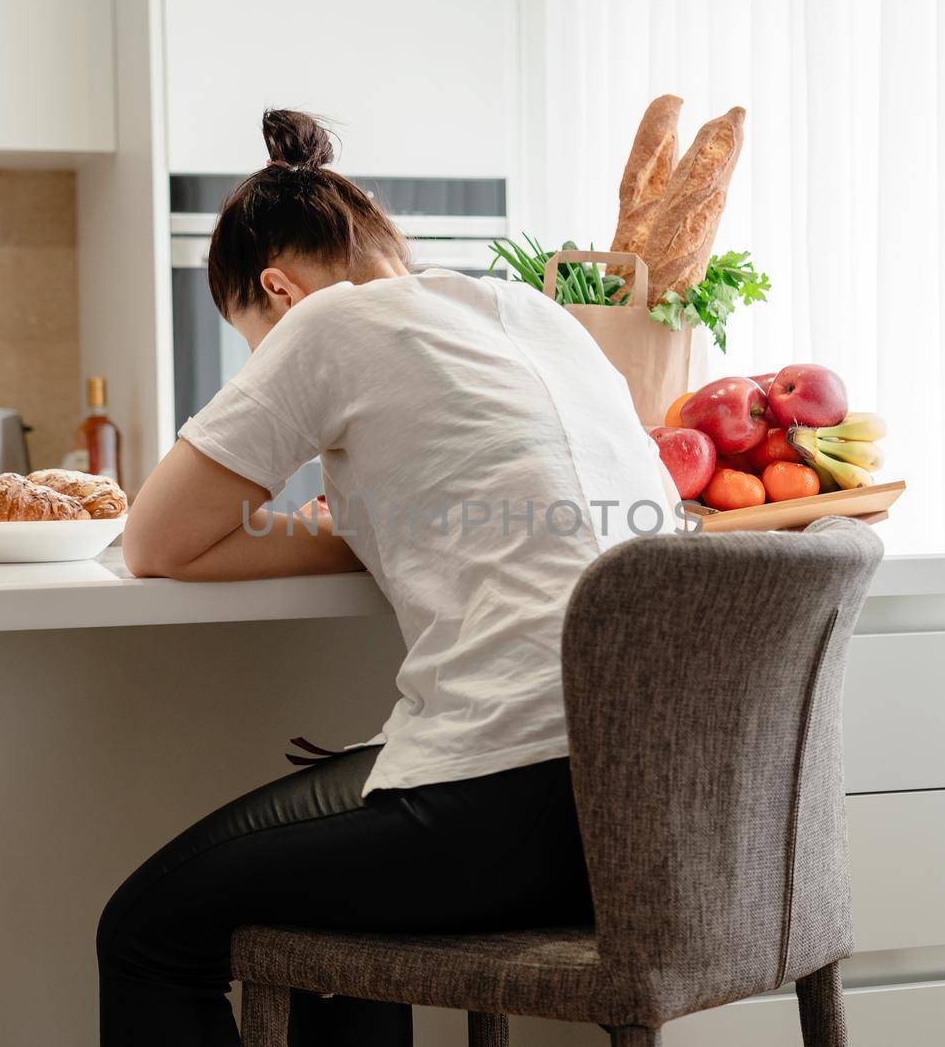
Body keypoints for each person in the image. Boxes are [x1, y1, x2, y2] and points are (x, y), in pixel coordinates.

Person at [101, 110, 678, 1046]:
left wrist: (341, 537)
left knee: (144, 929)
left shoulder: (326, 320)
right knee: (334, 910)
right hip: (654, 813)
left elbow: (155, 541)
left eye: (256, 342)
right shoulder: (541, 318)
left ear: (277, 292)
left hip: (511, 802)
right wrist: (367, 528)